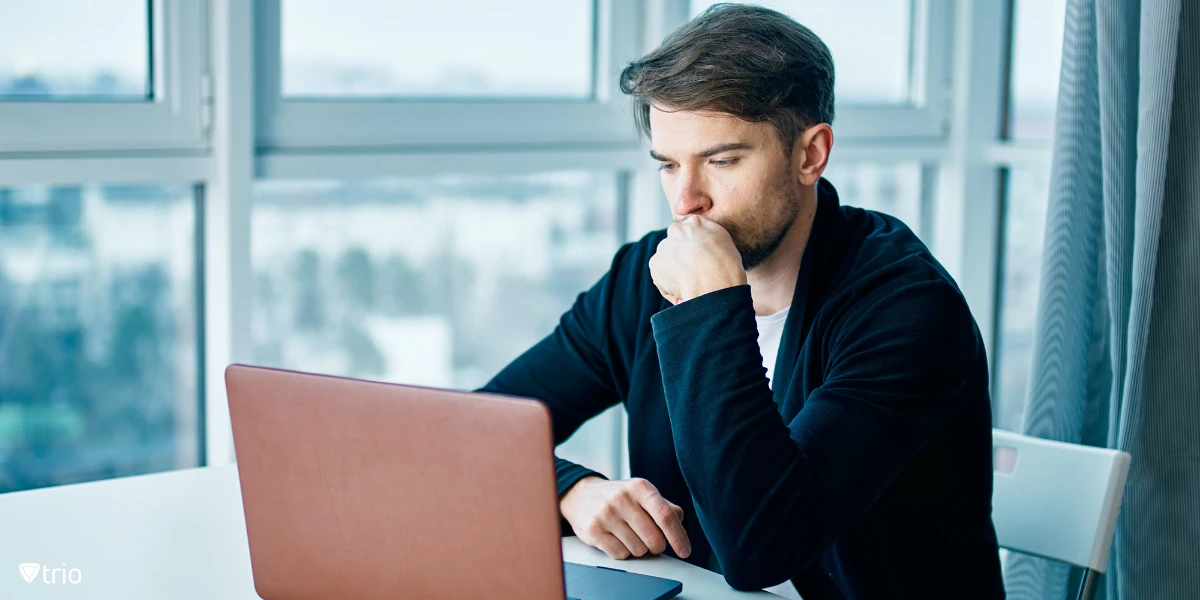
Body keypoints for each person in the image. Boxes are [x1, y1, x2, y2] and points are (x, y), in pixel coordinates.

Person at [479, 4, 1005, 598]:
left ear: (810, 155)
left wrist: (709, 309)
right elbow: (477, 430)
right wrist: (570, 490)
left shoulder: (909, 308)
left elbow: (761, 548)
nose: (686, 201)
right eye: (669, 165)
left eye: (721, 160)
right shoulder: (642, 275)